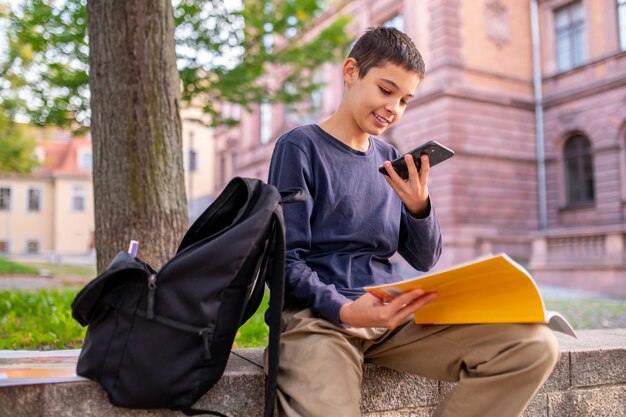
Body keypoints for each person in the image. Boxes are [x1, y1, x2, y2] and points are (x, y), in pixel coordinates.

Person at [266, 26, 559, 417]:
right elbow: (284, 263)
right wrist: (345, 310)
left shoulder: (391, 157)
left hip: (391, 311)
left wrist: (419, 207)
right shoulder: (300, 148)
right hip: (319, 318)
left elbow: (424, 259)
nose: (394, 109)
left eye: (405, 100)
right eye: (386, 91)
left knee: (532, 347)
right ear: (351, 71)